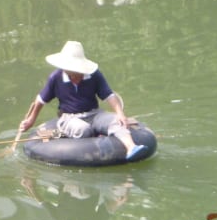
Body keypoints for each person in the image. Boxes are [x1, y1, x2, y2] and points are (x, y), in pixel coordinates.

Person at [19, 41, 147, 160]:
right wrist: (31, 120)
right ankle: (80, 144)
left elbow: (109, 95)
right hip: (69, 117)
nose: (76, 77)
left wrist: (120, 113)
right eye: (72, 73)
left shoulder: (94, 75)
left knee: (116, 121)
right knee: (82, 129)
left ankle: (131, 147)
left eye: (78, 72)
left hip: (94, 113)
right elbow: (41, 100)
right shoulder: (55, 78)